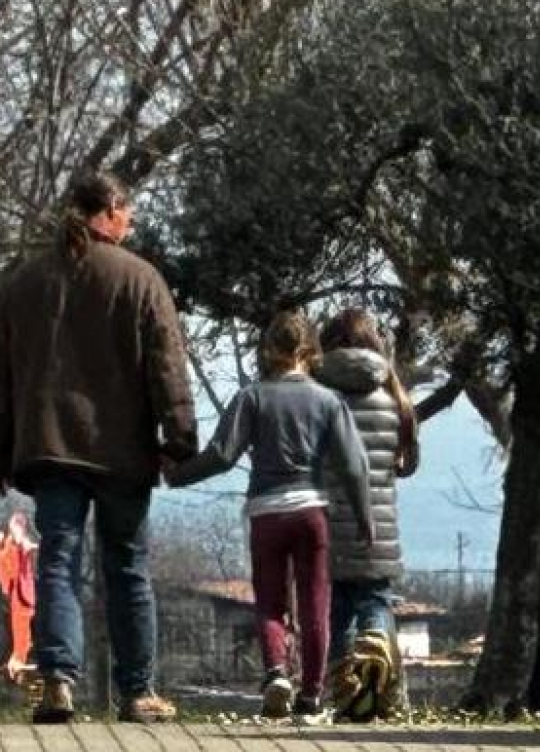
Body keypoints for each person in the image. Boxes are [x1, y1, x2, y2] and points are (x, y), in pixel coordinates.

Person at [0, 171, 198, 725]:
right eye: (128, 213)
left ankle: (57, 679)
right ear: (109, 212)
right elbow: (166, 365)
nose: (132, 223)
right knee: (126, 566)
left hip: (50, 444)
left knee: (57, 561)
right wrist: (179, 438)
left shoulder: (26, 283)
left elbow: (0, 377)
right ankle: (137, 691)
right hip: (123, 448)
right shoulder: (141, 279)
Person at [164, 310, 373, 722]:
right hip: (312, 511)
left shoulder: (252, 397)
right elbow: (354, 465)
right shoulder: (328, 401)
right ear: (310, 350)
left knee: (270, 601)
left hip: (267, 513)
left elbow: (222, 455)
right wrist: (364, 515)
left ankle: (276, 672)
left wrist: (178, 475)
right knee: (315, 604)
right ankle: (311, 695)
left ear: (269, 350)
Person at [317, 308, 419, 721]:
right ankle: (377, 648)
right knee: (375, 599)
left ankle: (347, 695)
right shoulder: (394, 396)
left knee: (336, 611)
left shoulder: (318, 394)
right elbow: (408, 465)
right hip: (378, 525)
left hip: (326, 522)